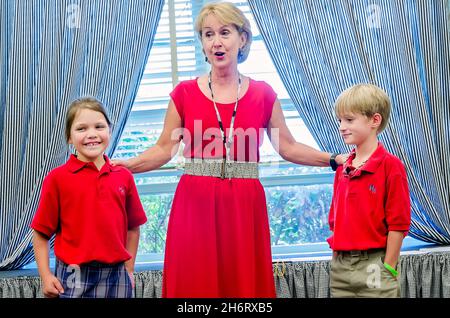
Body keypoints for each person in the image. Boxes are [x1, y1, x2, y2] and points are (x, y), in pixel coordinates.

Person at [113, 2, 345, 298]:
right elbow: (163, 150)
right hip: (194, 202)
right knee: (196, 286)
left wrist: (332, 160)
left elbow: (287, 146)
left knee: (243, 286)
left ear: (243, 38)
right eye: (208, 35)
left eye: (224, 32)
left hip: (244, 204)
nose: (216, 42)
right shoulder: (183, 93)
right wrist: (123, 165)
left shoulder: (263, 93)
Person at [31, 97, 147, 298]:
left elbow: (133, 227)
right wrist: (46, 275)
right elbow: (40, 234)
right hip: (72, 275)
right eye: (81, 128)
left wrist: (129, 269)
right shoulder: (57, 179)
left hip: (116, 274)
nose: (91, 134)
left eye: (99, 126)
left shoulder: (124, 176)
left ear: (110, 131)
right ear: (69, 137)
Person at [327, 84, 411, 298]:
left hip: (376, 264)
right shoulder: (342, 169)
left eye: (349, 120)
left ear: (375, 120)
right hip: (341, 267)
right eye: (340, 121)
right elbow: (335, 220)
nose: (342, 127)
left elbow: (399, 224)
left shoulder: (391, 166)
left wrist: (389, 268)